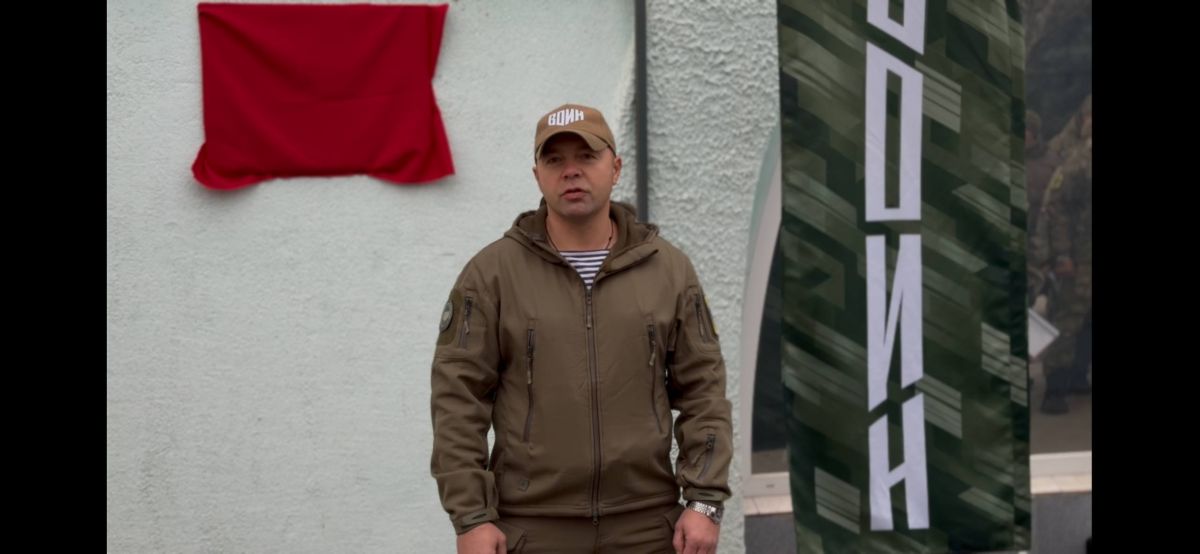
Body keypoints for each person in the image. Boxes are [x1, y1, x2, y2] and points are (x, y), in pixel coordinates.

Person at [430, 103, 733, 553]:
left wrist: (705, 501)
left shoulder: (668, 270)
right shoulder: (492, 274)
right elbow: (458, 400)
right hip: (532, 528)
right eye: (555, 160)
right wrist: (471, 517)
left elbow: (703, 390)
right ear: (538, 176)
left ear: (616, 168)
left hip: (647, 527)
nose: (571, 171)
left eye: (587, 156)